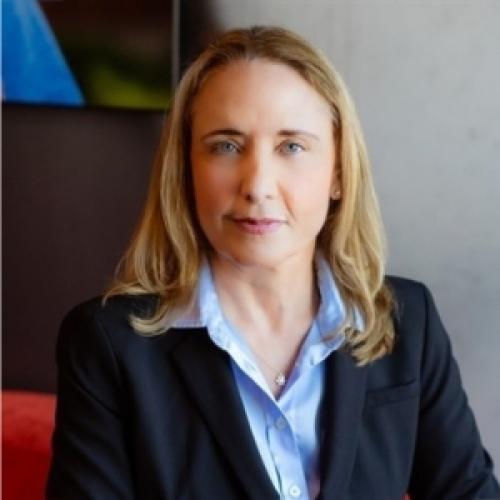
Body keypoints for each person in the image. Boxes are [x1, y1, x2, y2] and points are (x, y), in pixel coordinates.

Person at [46, 26, 500, 500]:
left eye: (292, 146)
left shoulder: (408, 320)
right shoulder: (108, 345)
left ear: (338, 172)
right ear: (185, 170)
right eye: (226, 145)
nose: (258, 185)